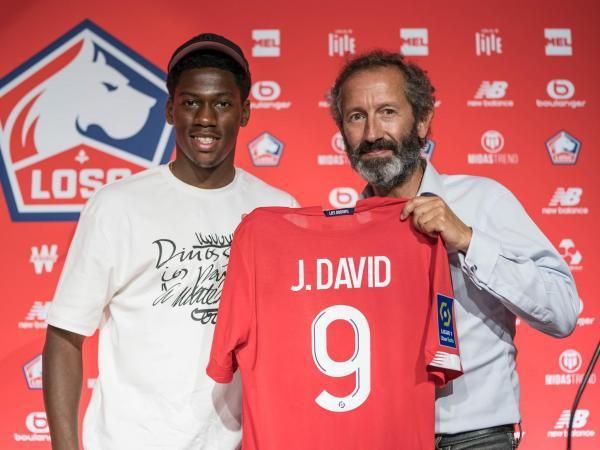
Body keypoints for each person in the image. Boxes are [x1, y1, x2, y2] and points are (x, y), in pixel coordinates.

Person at [42, 33, 297, 450]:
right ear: (169, 110)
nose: (205, 118)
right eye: (191, 102)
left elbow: (287, 341)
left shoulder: (277, 210)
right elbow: (64, 336)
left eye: (222, 104)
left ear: (245, 112)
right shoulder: (117, 206)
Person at [329, 50, 580, 450]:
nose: (372, 132)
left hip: (476, 439)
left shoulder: (483, 200)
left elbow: (563, 311)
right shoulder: (339, 234)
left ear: (422, 120)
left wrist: (467, 240)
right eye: (356, 116)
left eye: (388, 112)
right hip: (379, 436)